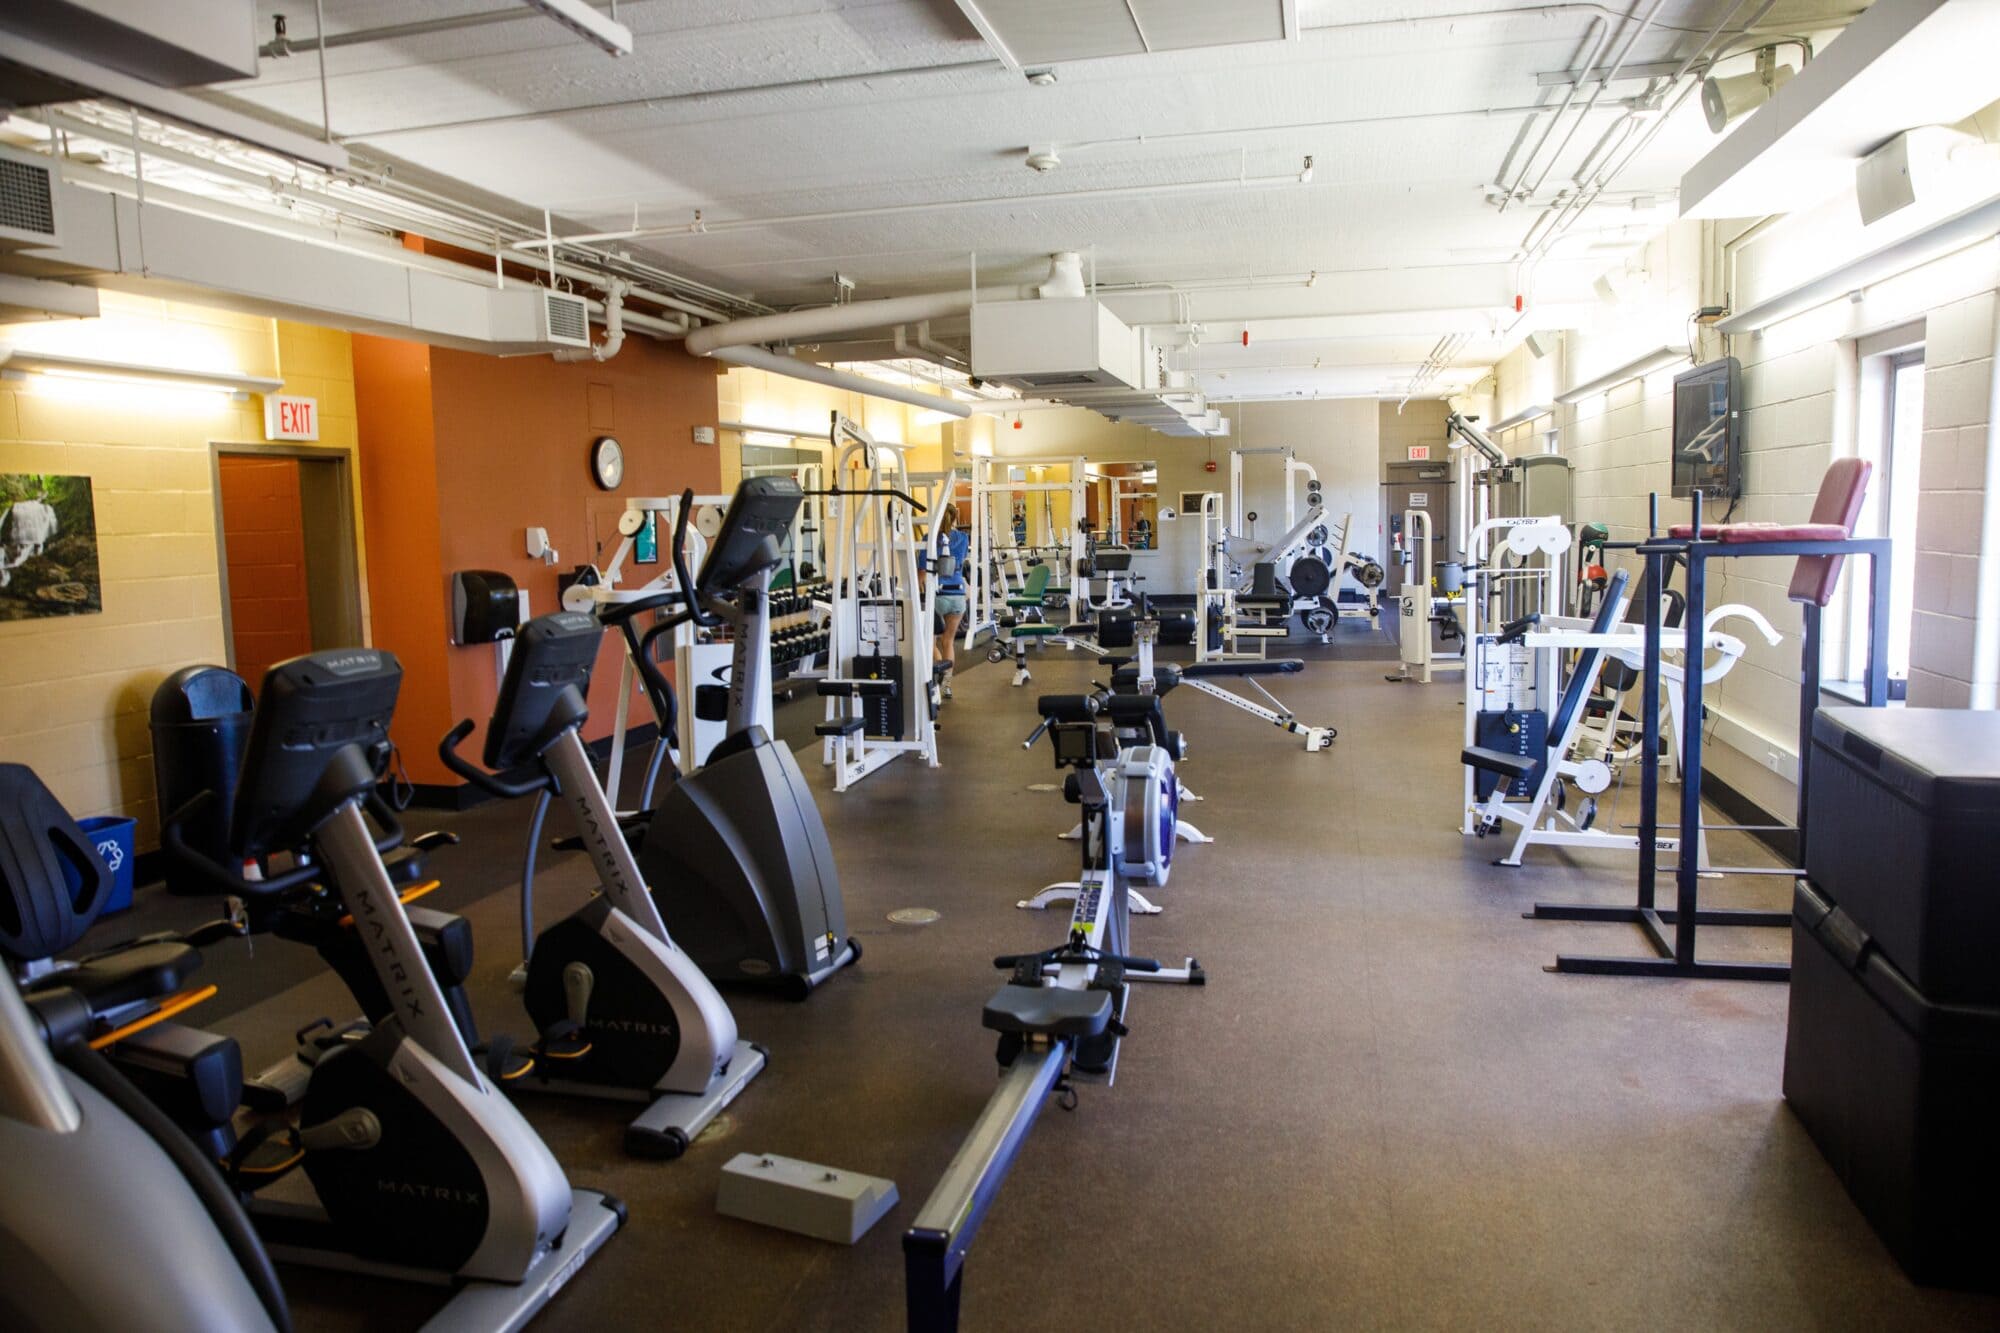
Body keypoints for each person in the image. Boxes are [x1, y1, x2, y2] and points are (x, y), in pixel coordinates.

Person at [931, 505, 970, 699]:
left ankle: (939, 674)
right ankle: (946, 684)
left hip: (937, 596)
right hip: (957, 595)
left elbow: (923, 572)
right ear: (956, 517)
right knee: (948, 641)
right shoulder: (963, 538)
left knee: (929, 642)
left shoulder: (930, 539)